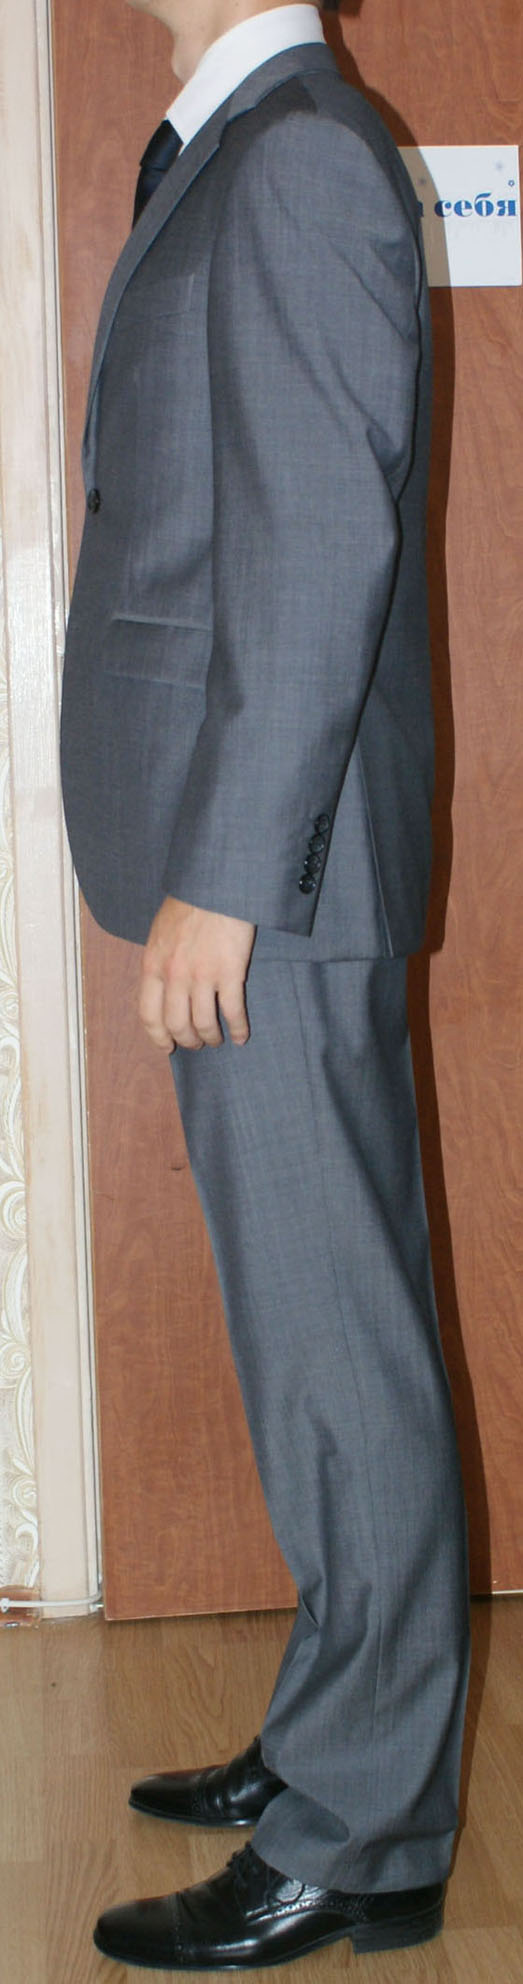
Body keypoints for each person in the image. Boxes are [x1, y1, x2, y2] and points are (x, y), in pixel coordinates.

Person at [60, 0, 470, 1967]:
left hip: (275, 881)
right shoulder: (254, 139)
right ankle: (339, 1726)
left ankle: (364, 1827)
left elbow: (316, 549)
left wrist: (223, 880)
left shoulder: (297, 154)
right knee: (317, 1343)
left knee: (339, 1352)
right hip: (263, 866)